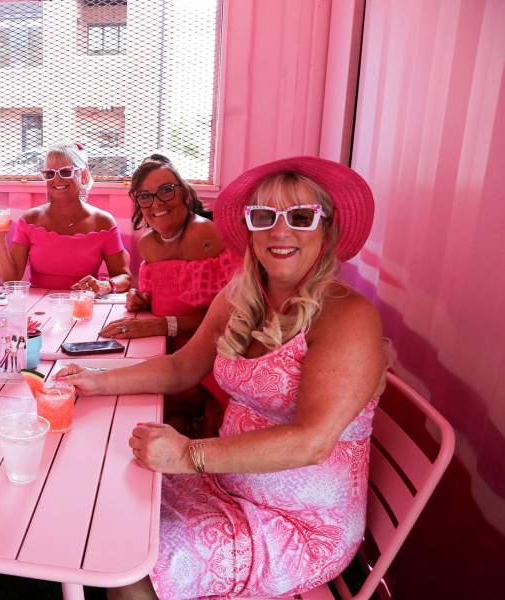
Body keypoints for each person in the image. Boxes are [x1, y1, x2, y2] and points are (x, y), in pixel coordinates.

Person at [57, 156, 387, 598]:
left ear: (326, 230)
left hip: (298, 522)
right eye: (265, 216)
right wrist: (96, 379)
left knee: (135, 563)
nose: (280, 231)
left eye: (301, 217)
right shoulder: (242, 297)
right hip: (223, 479)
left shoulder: (348, 315)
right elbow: (181, 367)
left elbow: (313, 442)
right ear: (250, 229)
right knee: (106, 494)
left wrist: (189, 454)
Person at [99, 154, 240, 348]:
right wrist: (139, 299)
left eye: (166, 190)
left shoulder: (204, 234)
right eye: (145, 196)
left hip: (213, 351)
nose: (156, 203)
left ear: (185, 193)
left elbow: (233, 318)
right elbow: (167, 302)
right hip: (162, 346)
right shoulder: (148, 245)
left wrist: (157, 326)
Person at [0, 143, 131, 293]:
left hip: (82, 306)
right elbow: (11, 280)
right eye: (50, 174)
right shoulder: (30, 220)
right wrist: (0, 243)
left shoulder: (103, 222)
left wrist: (106, 285)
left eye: (66, 172)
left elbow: (124, 277)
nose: (57, 180)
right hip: (38, 309)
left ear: (84, 175)